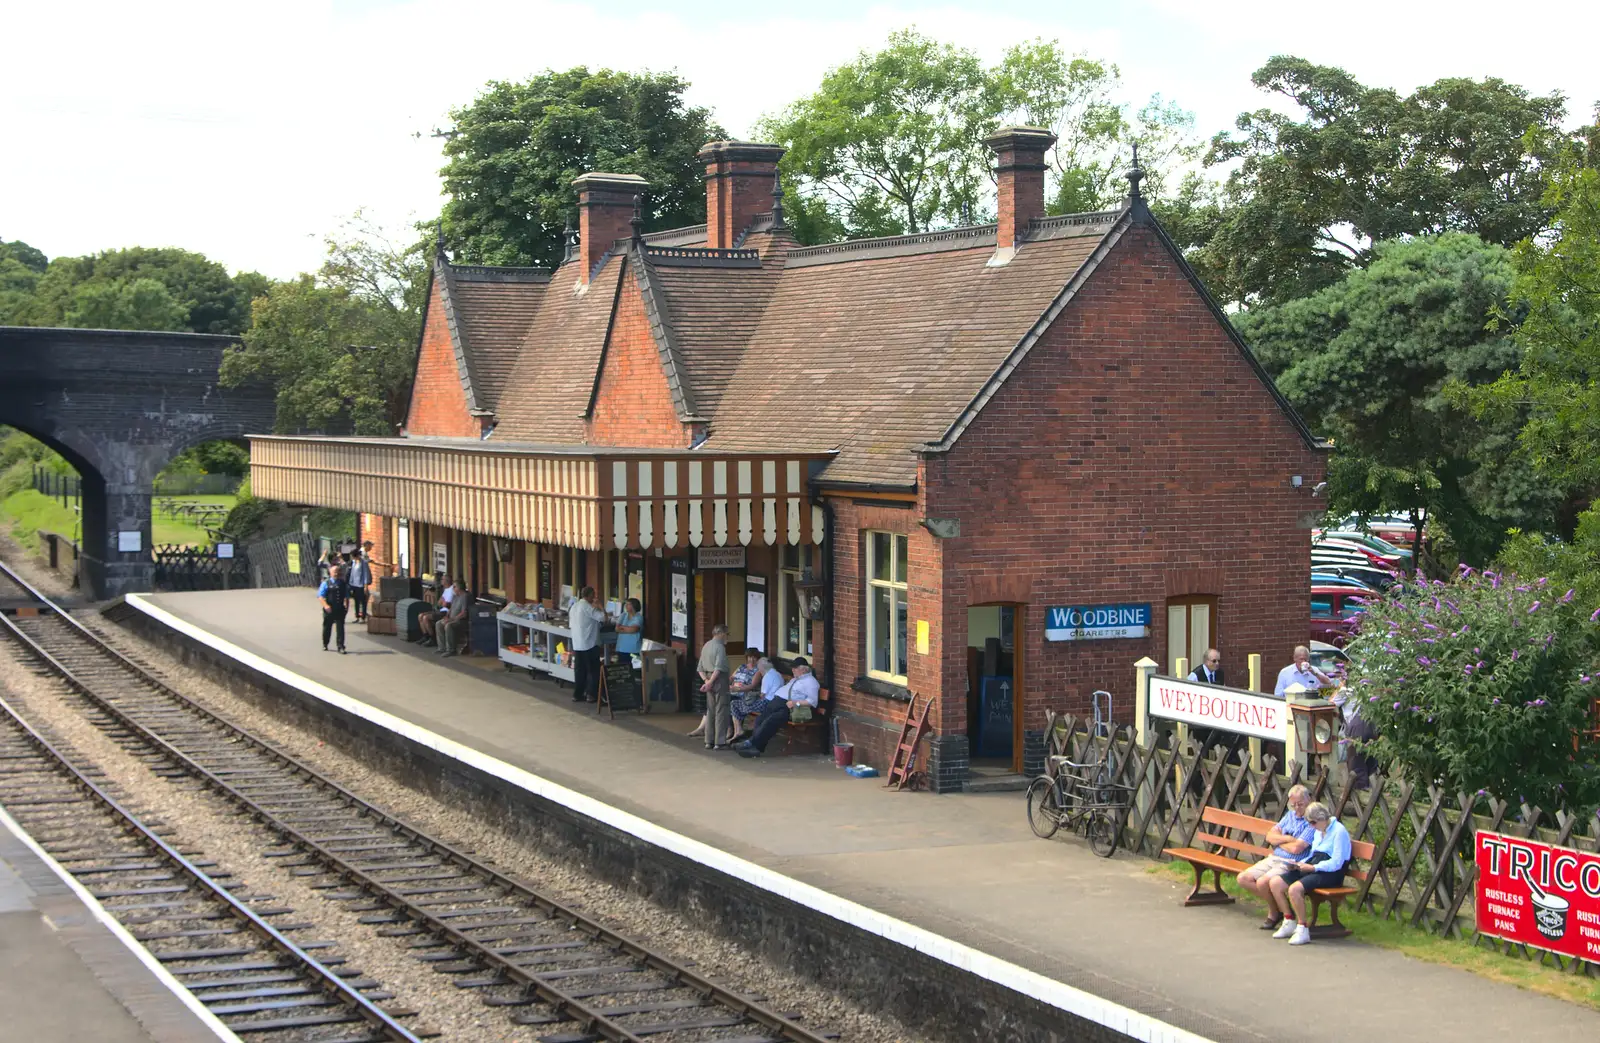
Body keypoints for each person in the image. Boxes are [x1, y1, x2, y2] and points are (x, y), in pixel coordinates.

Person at [1267, 802, 1353, 945]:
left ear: (1322, 818)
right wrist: (1298, 865)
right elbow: (1313, 854)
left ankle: (1303, 928)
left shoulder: (1339, 831)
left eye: (1313, 823)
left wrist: (1313, 868)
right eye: (1309, 823)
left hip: (1331, 872)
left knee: (1294, 889)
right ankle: (1289, 920)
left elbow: (1337, 862)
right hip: (1314, 864)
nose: (1312, 826)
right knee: (1275, 883)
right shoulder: (1319, 830)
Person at [1236, 784, 1314, 929]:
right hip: (1274, 857)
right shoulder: (1289, 815)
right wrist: (1289, 839)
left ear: (1308, 800)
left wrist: (1280, 841)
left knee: (1262, 882)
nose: (1297, 808)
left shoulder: (1312, 821)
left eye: (1300, 804)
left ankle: (1281, 914)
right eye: (1293, 804)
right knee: (1243, 878)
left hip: (1291, 862)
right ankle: (1277, 909)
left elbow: (1297, 848)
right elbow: (1270, 836)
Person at [737, 657, 820, 757]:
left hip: (788, 707)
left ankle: (755, 747)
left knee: (770, 721)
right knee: (760, 719)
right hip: (776, 702)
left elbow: (813, 701)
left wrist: (795, 703)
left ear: (804, 669)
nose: (793, 670)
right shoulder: (795, 679)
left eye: (795, 668)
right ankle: (752, 744)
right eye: (792, 668)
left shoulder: (811, 682)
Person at [568, 586, 607, 703]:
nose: (594, 597)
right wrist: (600, 607)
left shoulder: (574, 607)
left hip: (577, 643)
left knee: (580, 670)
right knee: (593, 670)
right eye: (593, 595)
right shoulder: (588, 607)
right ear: (590, 595)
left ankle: (577, 694)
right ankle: (591, 694)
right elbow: (604, 618)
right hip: (589, 643)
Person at [697, 624, 731, 749]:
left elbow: (700, 668)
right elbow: (718, 667)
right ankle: (719, 742)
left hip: (707, 678)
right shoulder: (720, 647)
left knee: (710, 710)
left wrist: (706, 681)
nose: (727, 637)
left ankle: (708, 740)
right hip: (719, 680)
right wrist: (711, 681)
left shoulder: (706, 645)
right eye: (727, 634)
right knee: (721, 710)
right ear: (721, 633)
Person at [728, 650, 765, 741]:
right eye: (749, 657)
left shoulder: (758, 671)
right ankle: (732, 730)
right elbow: (731, 678)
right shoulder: (741, 666)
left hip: (745, 695)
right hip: (733, 691)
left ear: (757, 659)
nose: (751, 659)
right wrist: (727, 684)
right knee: (722, 700)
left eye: (754, 657)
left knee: (729, 701)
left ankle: (731, 730)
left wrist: (737, 689)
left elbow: (751, 686)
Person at [318, 564, 350, 654]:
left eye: (337, 572)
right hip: (329, 608)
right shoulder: (326, 583)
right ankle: (325, 643)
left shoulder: (343, 584)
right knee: (327, 627)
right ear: (330, 573)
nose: (336, 573)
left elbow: (347, 597)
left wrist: (346, 608)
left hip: (339, 608)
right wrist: (325, 606)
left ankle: (340, 646)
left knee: (340, 628)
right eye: (334, 572)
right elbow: (320, 596)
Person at [417, 574, 453, 646]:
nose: (441, 581)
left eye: (442, 579)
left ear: (447, 581)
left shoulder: (451, 590)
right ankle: (426, 636)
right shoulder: (445, 590)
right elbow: (439, 602)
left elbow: (445, 605)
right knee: (420, 616)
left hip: (445, 611)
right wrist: (442, 602)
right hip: (439, 610)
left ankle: (433, 639)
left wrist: (443, 602)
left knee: (425, 618)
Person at [436, 580, 470, 657]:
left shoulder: (465, 596)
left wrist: (452, 619)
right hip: (452, 618)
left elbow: (464, 613)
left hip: (462, 621)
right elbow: (451, 608)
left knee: (448, 625)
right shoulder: (455, 596)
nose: (453, 588)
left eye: (454, 587)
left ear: (459, 587)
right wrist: (447, 616)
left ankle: (451, 650)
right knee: (439, 623)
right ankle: (441, 648)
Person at [346, 548, 372, 622]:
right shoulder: (354, 562)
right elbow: (352, 574)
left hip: (361, 585)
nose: (352, 558)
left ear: (357, 555)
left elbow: (365, 574)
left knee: (363, 601)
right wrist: (350, 584)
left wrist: (365, 586)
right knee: (356, 601)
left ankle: (363, 617)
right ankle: (357, 616)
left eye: (353, 556)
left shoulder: (363, 563)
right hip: (354, 584)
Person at [615, 597, 643, 662]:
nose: (626, 606)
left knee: (633, 668)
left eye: (628, 604)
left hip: (633, 650)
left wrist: (622, 627)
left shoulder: (638, 617)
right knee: (623, 668)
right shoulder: (623, 615)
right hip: (621, 649)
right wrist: (628, 628)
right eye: (626, 604)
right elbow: (617, 629)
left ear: (634, 606)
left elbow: (634, 630)